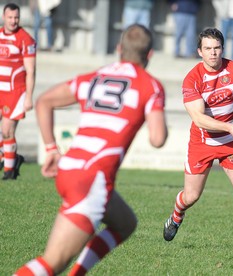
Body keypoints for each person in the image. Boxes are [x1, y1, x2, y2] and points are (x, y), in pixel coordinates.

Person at [14, 24, 168, 275]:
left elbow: (44, 102)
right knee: (51, 263)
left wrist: (51, 148)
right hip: (91, 179)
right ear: (150, 55)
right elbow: (158, 138)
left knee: (125, 223)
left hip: (72, 169)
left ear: (119, 49)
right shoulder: (150, 86)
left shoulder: (95, 77)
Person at [163, 27, 233, 256]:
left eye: (217, 48)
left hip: (231, 143)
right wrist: (230, 127)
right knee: (191, 196)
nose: (213, 53)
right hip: (202, 143)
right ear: (199, 52)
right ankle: (176, 216)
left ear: (223, 48)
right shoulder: (192, 79)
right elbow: (199, 118)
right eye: (208, 49)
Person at [0, 3, 36, 180]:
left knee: (7, 130)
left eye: (16, 18)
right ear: (3, 17)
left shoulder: (25, 39)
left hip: (15, 91)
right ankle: (10, 158)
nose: (14, 21)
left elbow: (30, 71)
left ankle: (9, 173)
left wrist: (29, 97)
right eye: (10, 17)